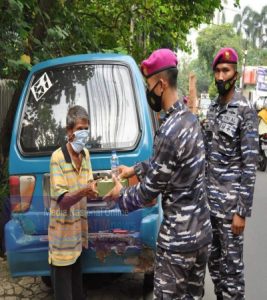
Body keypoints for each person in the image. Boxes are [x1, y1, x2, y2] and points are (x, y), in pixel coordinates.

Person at [105, 48, 212, 299]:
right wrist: (134, 169)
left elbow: (149, 191)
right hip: (201, 234)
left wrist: (120, 194)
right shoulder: (189, 120)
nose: (148, 91)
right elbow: (169, 163)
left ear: (161, 84)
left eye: (149, 84)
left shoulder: (169, 131)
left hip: (178, 242)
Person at [202, 48, 259, 300]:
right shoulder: (213, 108)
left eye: (225, 70)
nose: (220, 76)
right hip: (209, 207)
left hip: (230, 209)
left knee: (232, 270)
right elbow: (204, 155)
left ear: (235, 74)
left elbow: (250, 163)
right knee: (214, 267)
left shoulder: (245, 110)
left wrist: (241, 211)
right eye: (217, 71)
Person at [48, 105, 98, 300]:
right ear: (69, 131)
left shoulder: (85, 155)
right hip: (61, 243)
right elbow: (63, 201)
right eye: (79, 129)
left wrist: (101, 187)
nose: (84, 133)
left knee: (78, 293)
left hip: (78, 238)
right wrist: (85, 190)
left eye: (86, 128)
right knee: (64, 295)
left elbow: (90, 183)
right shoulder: (57, 158)